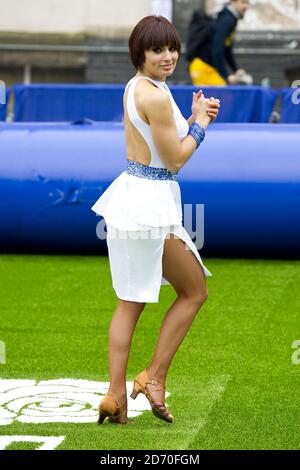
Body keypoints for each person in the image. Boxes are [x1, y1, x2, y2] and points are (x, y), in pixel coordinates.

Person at [91, 15, 220, 425]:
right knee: (194, 290)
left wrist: (194, 113)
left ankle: (116, 396)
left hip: (130, 198)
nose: (168, 57)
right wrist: (201, 123)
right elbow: (176, 159)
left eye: (171, 48)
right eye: (157, 50)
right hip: (151, 207)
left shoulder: (136, 87)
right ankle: (153, 378)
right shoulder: (157, 97)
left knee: (130, 303)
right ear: (140, 53)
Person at [187, 0, 251, 86]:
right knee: (223, 96)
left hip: (206, 67)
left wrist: (236, 69)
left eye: (248, 3)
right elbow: (217, 50)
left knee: (222, 96)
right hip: (203, 68)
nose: (246, 6)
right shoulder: (227, 20)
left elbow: (227, 49)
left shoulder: (230, 18)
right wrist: (227, 75)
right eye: (243, 2)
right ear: (233, 2)